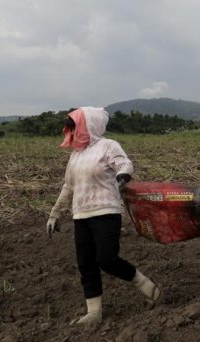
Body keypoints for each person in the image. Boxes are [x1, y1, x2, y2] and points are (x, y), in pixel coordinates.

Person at [46, 106, 162, 326]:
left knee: (107, 259)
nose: (70, 130)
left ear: (89, 124)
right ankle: (94, 313)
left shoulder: (108, 146)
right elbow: (68, 187)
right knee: (86, 264)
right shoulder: (76, 156)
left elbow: (124, 163)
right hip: (81, 215)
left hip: (106, 212)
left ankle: (147, 286)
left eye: (75, 125)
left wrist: (122, 177)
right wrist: (55, 213)